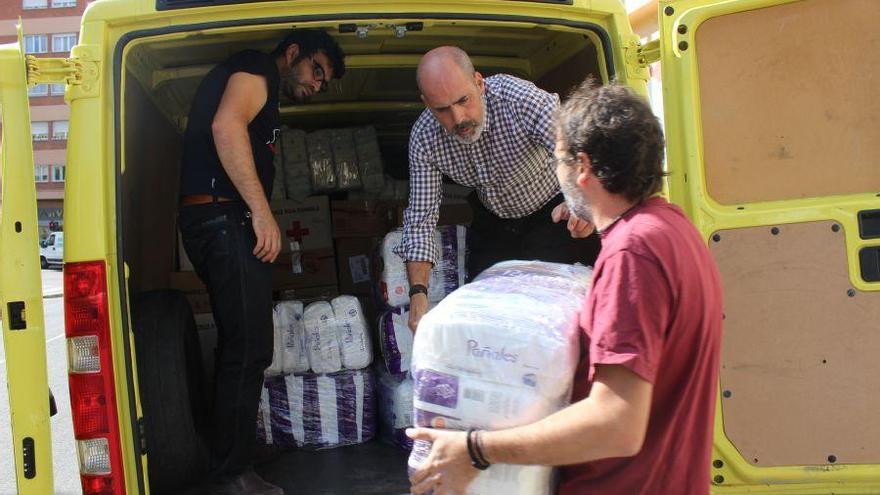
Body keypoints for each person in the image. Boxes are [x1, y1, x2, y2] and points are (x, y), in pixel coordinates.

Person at [406, 81, 724, 495]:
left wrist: (476, 448)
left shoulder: (632, 255)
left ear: (583, 168)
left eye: (557, 160)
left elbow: (617, 424)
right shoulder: (674, 229)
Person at [177, 30, 345, 495]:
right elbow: (225, 127)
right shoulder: (257, 68)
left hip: (220, 219)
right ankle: (231, 472)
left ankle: (235, 449)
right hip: (222, 217)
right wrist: (262, 214)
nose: (316, 85)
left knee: (241, 342)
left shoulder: (267, 90)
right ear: (293, 52)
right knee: (249, 347)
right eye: (316, 71)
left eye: (323, 82)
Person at [395, 46, 601, 332]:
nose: (458, 119)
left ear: (479, 83)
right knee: (490, 316)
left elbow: (576, 150)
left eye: (463, 100)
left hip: (552, 214)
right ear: (426, 104)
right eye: (442, 109)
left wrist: (582, 203)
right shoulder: (424, 137)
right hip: (492, 221)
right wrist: (418, 294)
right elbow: (420, 219)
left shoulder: (518, 99)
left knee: (554, 313)